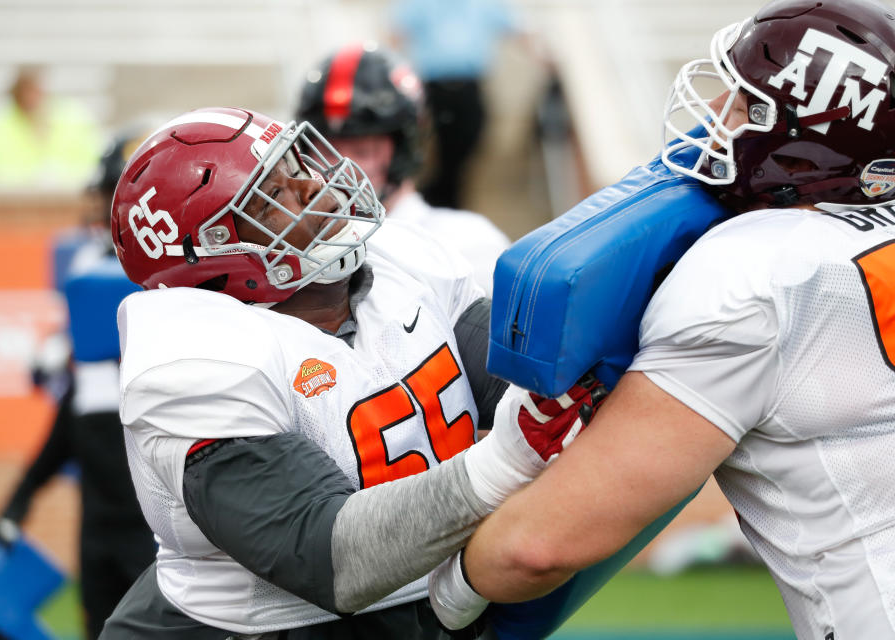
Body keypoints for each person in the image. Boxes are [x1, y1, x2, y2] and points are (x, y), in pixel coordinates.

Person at [429, 1, 895, 638]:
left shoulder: (754, 274)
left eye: (741, 101)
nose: (717, 118)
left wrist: (445, 597)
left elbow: (540, 546)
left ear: (801, 138)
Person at [99, 106, 607, 639]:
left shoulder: (402, 260)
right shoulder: (195, 361)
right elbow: (331, 560)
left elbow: (530, 381)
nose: (315, 184)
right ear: (221, 254)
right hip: (261, 627)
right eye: (274, 194)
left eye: (298, 165)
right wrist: (504, 459)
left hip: (414, 608)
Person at [0, 128, 157, 640]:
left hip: (157, 515)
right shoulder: (91, 278)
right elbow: (75, 417)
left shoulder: (170, 284)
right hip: (101, 515)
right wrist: (21, 496)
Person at [295, 42, 511, 297]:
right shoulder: (295, 246)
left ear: (403, 151)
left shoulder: (467, 243)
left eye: (363, 150)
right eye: (326, 148)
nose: (341, 166)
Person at [389, 0, 527, 209]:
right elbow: (396, 34)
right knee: (437, 147)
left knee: (470, 139)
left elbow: (517, 29)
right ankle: (442, 197)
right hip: (434, 90)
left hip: (471, 88)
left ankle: (442, 193)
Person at [0, 65, 100, 188]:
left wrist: (58, 176)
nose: (31, 98)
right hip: (19, 200)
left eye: (35, 91)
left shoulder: (74, 117)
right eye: (26, 92)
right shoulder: (1, 123)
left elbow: (92, 164)